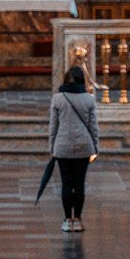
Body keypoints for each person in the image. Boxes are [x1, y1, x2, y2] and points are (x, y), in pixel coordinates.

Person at [48, 64, 99, 232]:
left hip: (62, 146)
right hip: (84, 146)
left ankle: (67, 220)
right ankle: (77, 219)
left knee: (66, 183)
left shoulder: (58, 99)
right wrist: (95, 147)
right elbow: (93, 127)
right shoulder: (89, 99)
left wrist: (52, 147)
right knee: (79, 184)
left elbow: (53, 127)